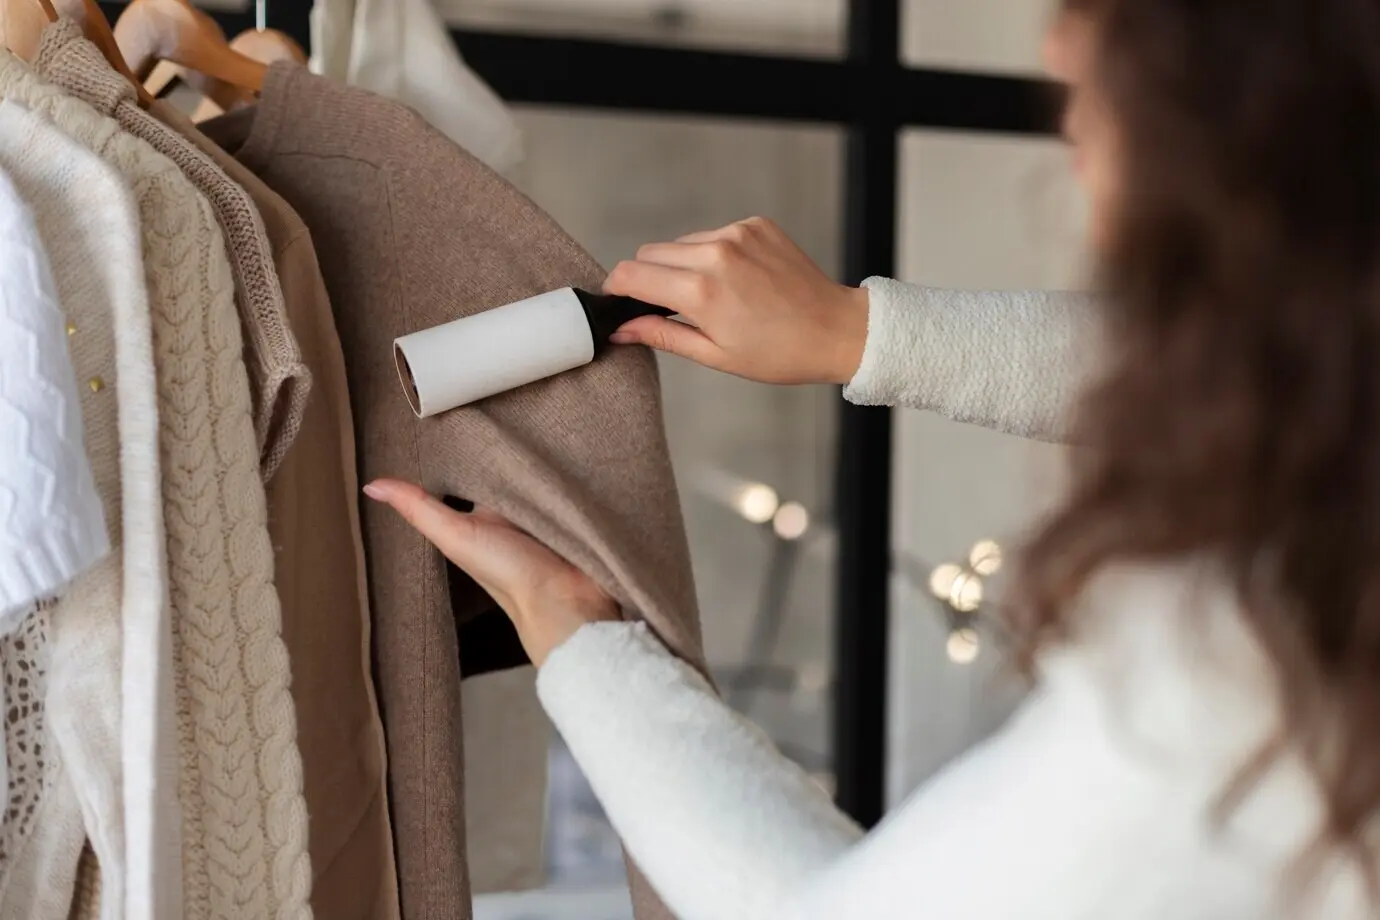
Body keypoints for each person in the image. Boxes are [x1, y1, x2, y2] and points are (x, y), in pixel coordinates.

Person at [362, 0, 1380, 916]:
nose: (1058, 47)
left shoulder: (1247, 678)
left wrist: (582, 641)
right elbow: (1283, 367)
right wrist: (859, 333)